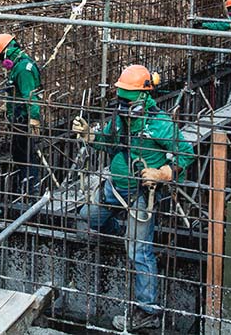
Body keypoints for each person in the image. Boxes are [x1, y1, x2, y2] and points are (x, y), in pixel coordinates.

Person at [72, 65, 194, 333]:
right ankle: (122, 231)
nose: (123, 104)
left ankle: (148, 312)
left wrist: (164, 173)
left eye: (128, 99)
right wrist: (89, 135)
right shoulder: (120, 119)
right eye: (121, 98)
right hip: (115, 189)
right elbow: (107, 141)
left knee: (139, 251)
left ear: (144, 96)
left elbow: (187, 153)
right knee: (88, 216)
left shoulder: (160, 124)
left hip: (141, 196)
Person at [0, 33, 42, 196]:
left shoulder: (22, 69)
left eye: (1, 58)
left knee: (25, 155)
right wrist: (7, 105)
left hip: (24, 120)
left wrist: (34, 120)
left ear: (6, 52)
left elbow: (30, 96)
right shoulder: (19, 65)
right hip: (18, 116)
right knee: (20, 153)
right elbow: (18, 93)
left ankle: (31, 190)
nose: (2, 63)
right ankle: (26, 186)